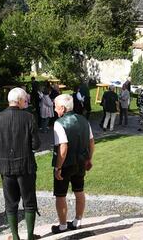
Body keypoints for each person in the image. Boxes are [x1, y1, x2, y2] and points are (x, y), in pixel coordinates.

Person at [0, 87, 41, 240]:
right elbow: (36, 144)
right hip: (25, 166)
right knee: (29, 201)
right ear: (19, 100)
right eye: (25, 99)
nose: (26, 102)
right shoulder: (29, 117)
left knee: (10, 203)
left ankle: (15, 236)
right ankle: (30, 236)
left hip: (5, 167)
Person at [51, 94, 95, 234]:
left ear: (62, 108)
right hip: (81, 161)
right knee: (79, 190)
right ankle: (78, 221)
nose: (55, 109)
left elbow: (63, 147)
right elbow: (91, 142)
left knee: (60, 194)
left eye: (56, 107)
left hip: (66, 164)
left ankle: (63, 225)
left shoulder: (59, 123)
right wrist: (89, 158)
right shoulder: (84, 120)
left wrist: (58, 167)